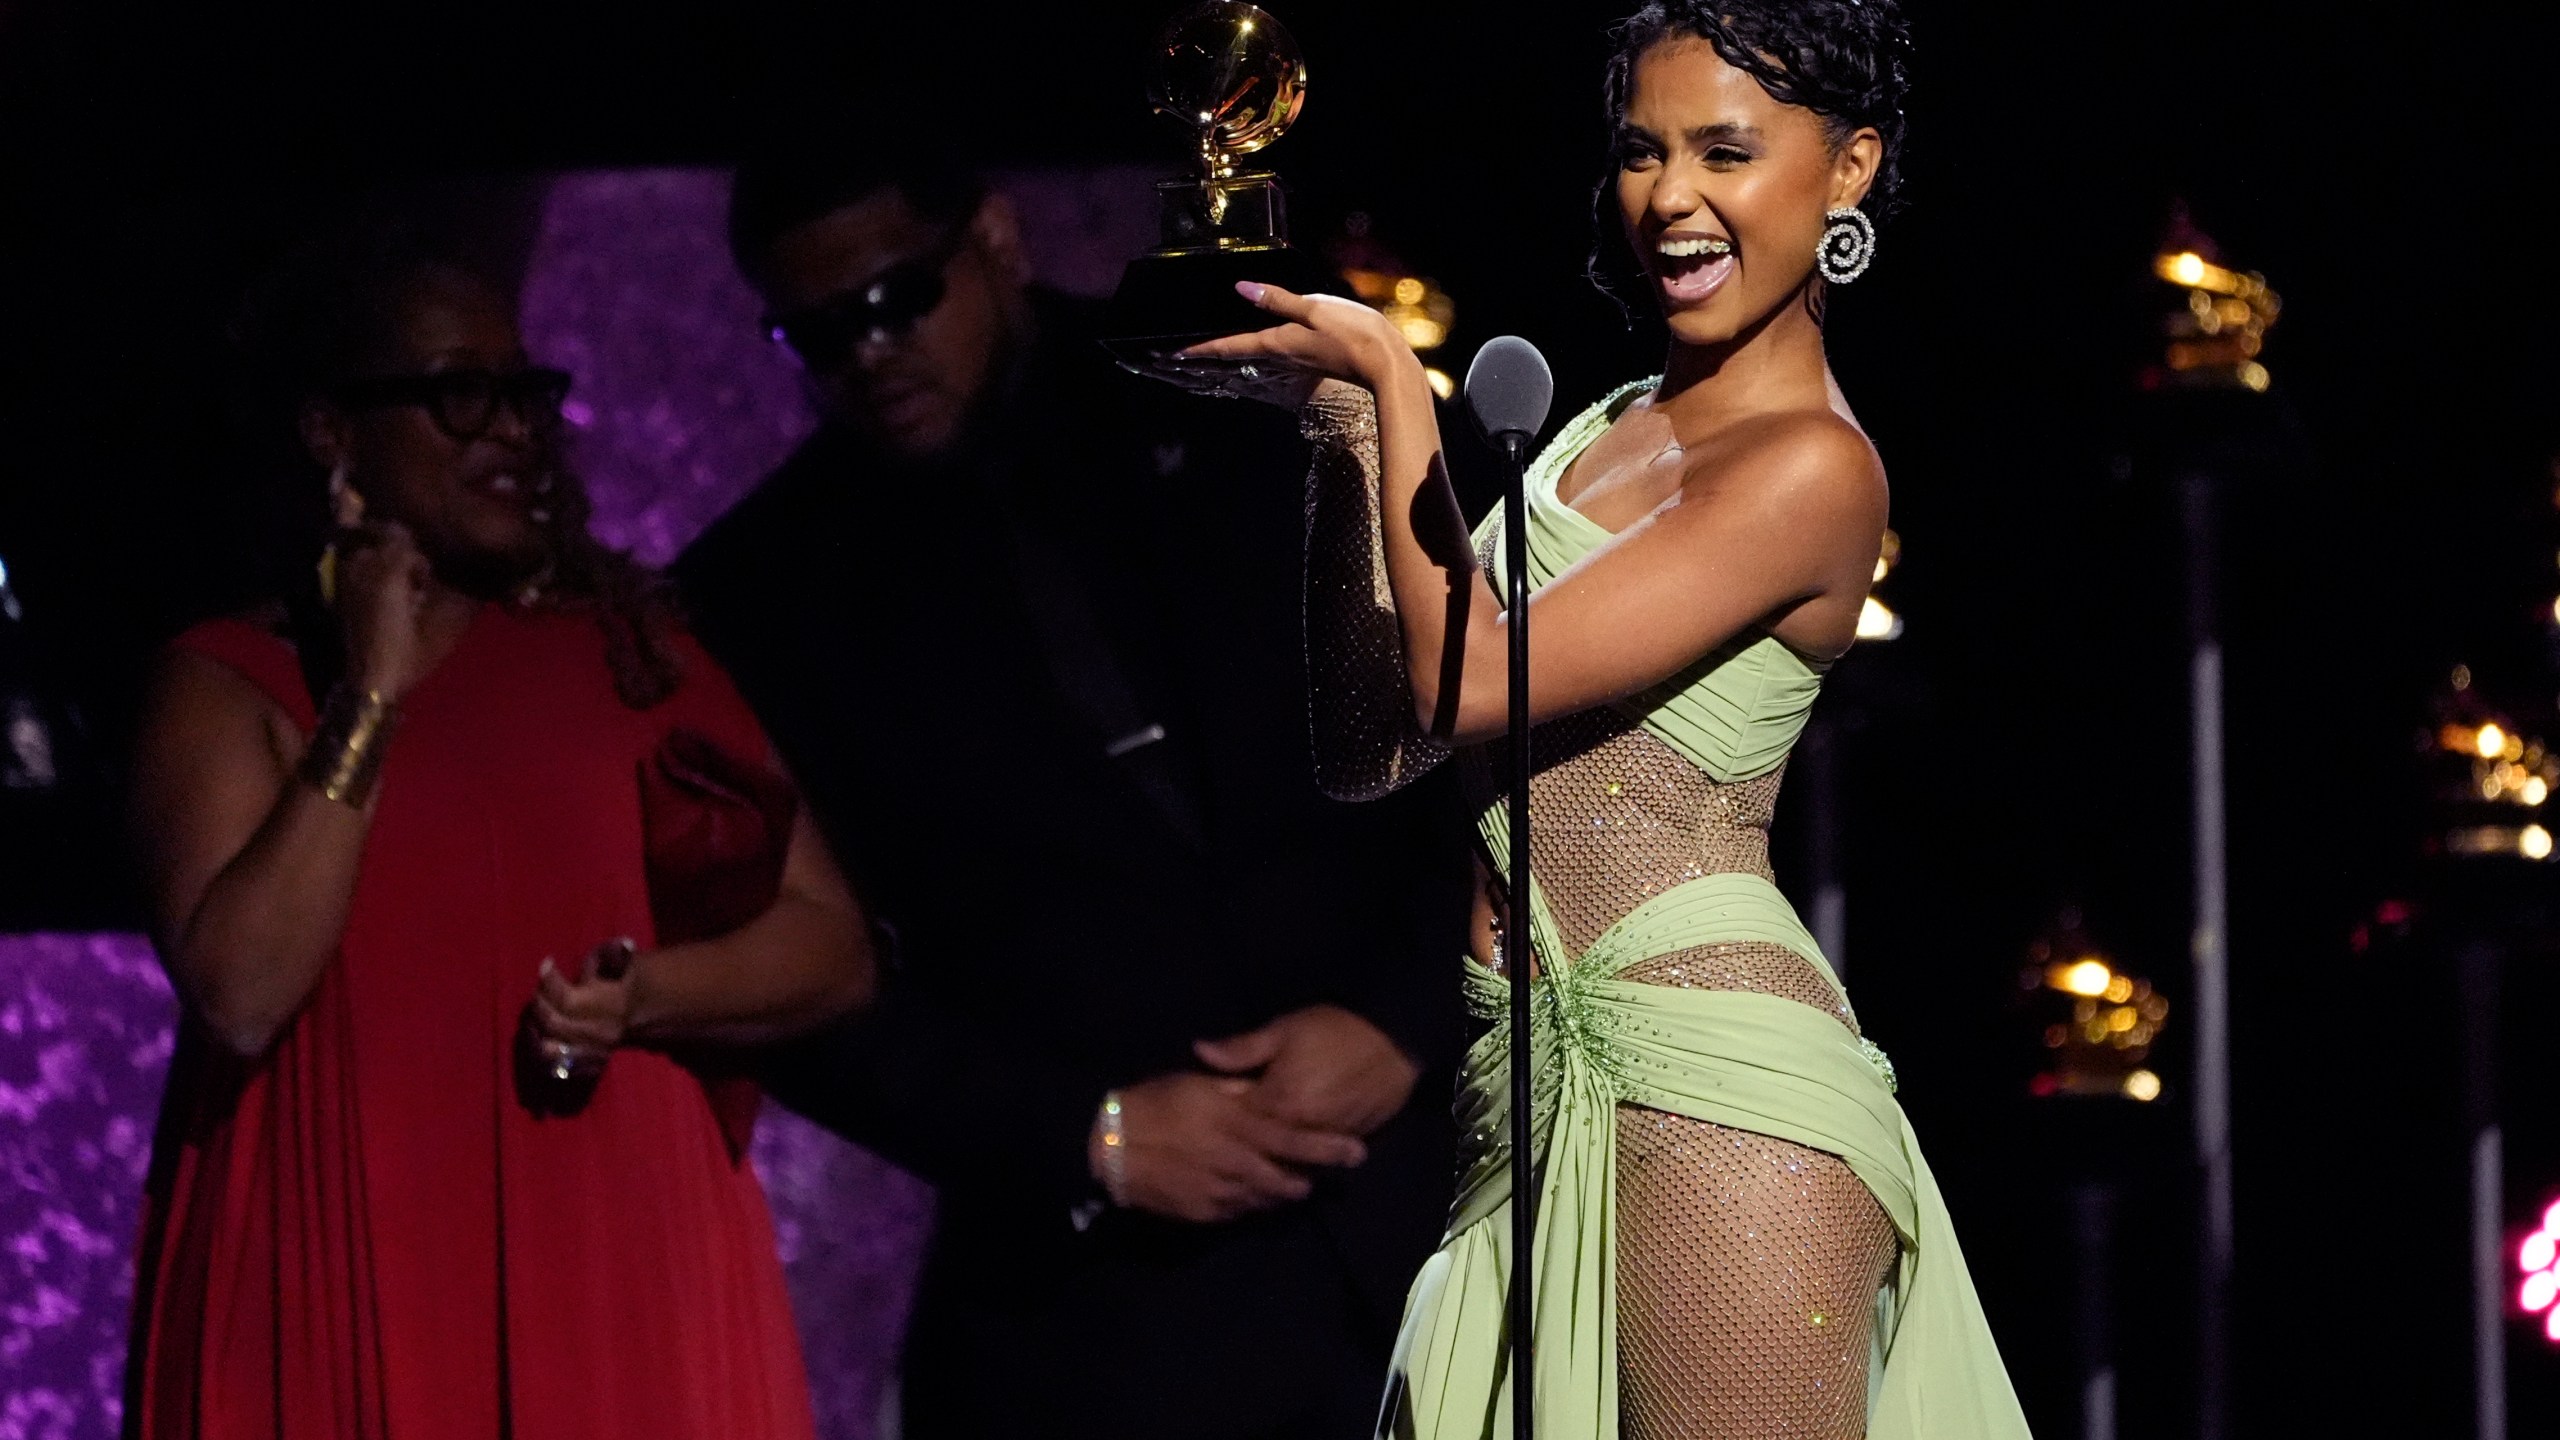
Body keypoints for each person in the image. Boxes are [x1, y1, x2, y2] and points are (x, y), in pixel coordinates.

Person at [1170, 2, 2035, 1436]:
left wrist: (1392, 383)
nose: (1672, 199)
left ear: (1850, 169)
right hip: (1526, 1087)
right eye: (1643, 151)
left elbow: (1470, 686)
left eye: (1726, 152)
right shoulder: (1604, 426)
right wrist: (1334, 425)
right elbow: (1378, 737)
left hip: (1712, 1095)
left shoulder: (1813, 469)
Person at [671, 143, 1473, 1439]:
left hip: (1435, 1231)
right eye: (811, 334)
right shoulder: (764, 593)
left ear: (992, 237)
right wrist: (1089, 1138)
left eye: (892, 301)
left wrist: (1403, 1020)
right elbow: (776, 979)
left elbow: (1509, 741)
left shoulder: (1257, 398)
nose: (866, 354)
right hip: (1091, 1326)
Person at [122, 234, 871, 1440]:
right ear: (333, 433)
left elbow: (832, 947)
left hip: (611, 1258)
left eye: (524, 393)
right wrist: (370, 695)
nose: (512, 430)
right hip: (344, 1258)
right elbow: (244, 988)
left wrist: (644, 999)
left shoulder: (628, 658)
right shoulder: (232, 681)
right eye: (461, 393)